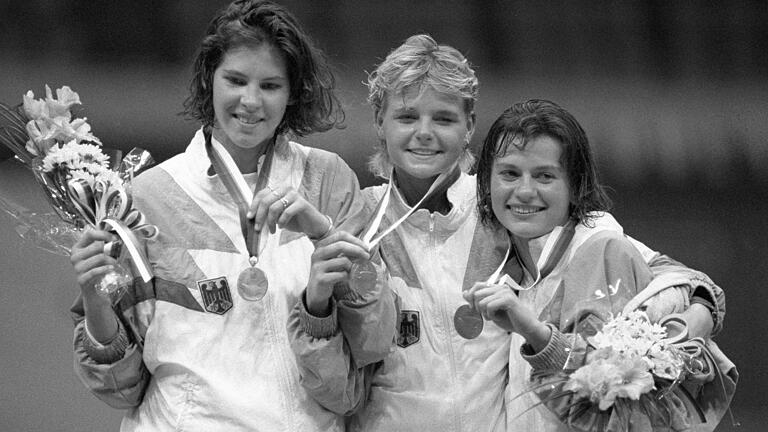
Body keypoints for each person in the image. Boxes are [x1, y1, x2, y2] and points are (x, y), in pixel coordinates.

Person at [68, 1, 390, 430]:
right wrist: (94, 295)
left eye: (271, 85)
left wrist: (323, 234)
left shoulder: (327, 180)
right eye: (236, 80)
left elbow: (372, 341)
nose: (251, 101)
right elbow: (120, 386)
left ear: (294, 91)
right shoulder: (148, 197)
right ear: (208, 79)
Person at [466, 99, 735, 431]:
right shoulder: (513, 249)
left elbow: (603, 407)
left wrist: (535, 334)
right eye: (509, 173)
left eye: (544, 176)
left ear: (575, 186)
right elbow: (691, 281)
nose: (524, 191)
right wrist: (704, 301)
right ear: (485, 180)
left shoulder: (600, 248)